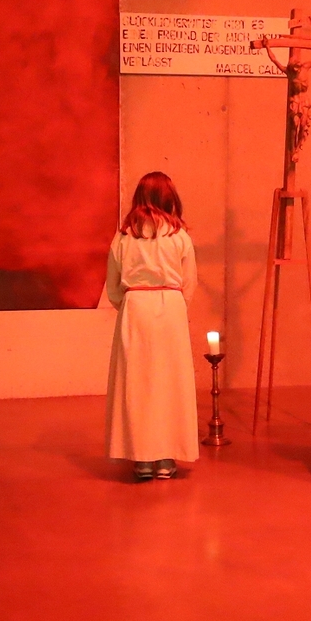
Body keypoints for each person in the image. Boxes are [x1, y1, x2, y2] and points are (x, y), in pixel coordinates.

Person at [105, 172, 199, 480]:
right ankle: (165, 457)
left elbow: (113, 287)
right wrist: (174, 305)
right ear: (170, 197)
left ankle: (141, 458)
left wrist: (129, 304)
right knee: (170, 383)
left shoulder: (123, 237)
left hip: (135, 309)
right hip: (170, 309)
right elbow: (189, 283)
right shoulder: (179, 237)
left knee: (137, 383)